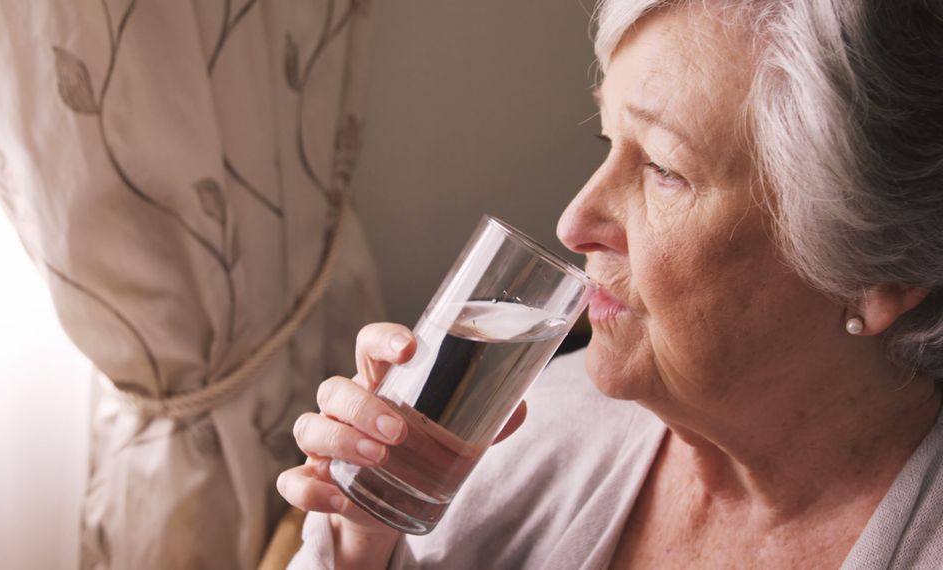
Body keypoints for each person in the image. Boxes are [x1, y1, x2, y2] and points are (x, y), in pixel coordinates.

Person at [277, 0, 943, 567]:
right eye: (606, 142)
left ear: (878, 273)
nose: (575, 222)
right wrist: (365, 542)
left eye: (663, 169)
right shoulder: (516, 436)